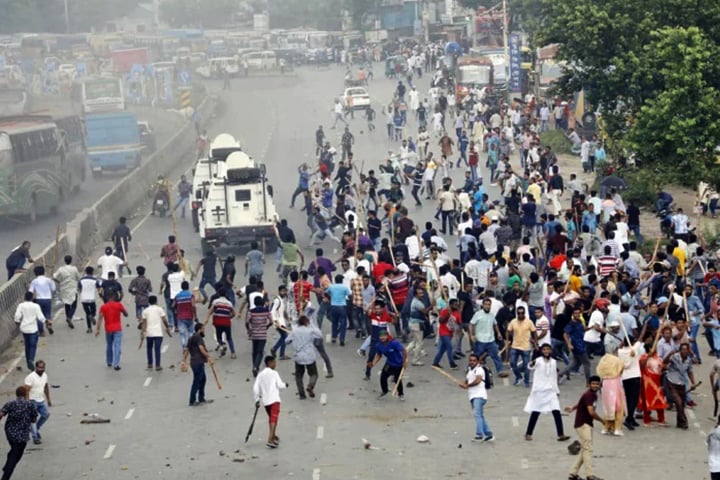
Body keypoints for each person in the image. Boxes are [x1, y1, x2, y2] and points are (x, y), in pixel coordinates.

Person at [524, 344, 570, 441]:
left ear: (551, 350)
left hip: (551, 391)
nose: (546, 351)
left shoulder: (553, 362)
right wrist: (531, 363)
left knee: (556, 411)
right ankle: (528, 433)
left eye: (548, 349)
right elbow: (530, 366)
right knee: (536, 412)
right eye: (544, 349)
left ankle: (561, 434)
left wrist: (557, 390)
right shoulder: (538, 360)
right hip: (540, 391)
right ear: (542, 351)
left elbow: (554, 376)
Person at [565, 375, 605, 480]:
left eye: (597, 384)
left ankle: (573, 473)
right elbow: (591, 412)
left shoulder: (591, 395)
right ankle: (589, 475)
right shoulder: (589, 395)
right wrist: (602, 421)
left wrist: (572, 407)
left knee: (585, 449)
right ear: (588, 384)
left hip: (585, 424)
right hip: (583, 424)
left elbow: (581, 403)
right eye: (593, 384)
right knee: (588, 449)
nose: (595, 385)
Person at [0, 386, 37, 480]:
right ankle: (5, 476)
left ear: (16, 394)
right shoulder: (30, 405)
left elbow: (1, 414)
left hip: (10, 433)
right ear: (25, 394)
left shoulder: (10, 403)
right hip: (22, 435)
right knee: (16, 456)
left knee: (13, 451)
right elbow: (34, 420)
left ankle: (6, 467)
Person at [253, 355, 288, 449]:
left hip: (266, 401)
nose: (275, 364)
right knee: (274, 418)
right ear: (270, 363)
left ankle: (273, 436)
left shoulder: (260, 375)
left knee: (272, 418)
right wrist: (286, 385)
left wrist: (256, 399)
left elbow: (256, 388)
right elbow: (280, 385)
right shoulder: (274, 373)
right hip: (274, 399)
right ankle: (270, 438)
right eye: (274, 362)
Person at [285, 315, 322, 400]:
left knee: (298, 376)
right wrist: (312, 325)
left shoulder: (294, 331)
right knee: (314, 374)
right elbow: (320, 335)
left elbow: (286, 341)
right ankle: (310, 385)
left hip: (298, 356)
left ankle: (302, 394)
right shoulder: (310, 330)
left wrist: (292, 340)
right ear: (306, 322)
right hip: (309, 356)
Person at [663, 342, 698, 430]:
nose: (684, 351)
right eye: (683, 349)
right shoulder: (675, 357)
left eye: (686, 349)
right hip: (672, 381)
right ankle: (684, 422)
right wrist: (669, 355)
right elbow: (665, 362)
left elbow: (690, 371)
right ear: (680, 350)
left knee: (681, 404)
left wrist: (693, 383)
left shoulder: (689, 360)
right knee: (678, 402)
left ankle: (679, 422)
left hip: (682, 383)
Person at [460, 353, 494, 442]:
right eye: (470, 360)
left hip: (479, 396)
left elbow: (478, 381)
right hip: (473, 396)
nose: (472, 362)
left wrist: (468, 385)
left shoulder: (479, 370)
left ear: (478, 361)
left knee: (477, 415)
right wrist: (464, 384)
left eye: (474, 360)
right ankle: (488, 434)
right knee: (480, 416)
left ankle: (479, 435)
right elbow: (466, 381)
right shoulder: (470, 371)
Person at [181, 323, 215, 406]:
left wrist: (183, 360)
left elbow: (187, 350)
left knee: (202, 379)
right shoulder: (199, 338)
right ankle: (192, 400)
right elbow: (201, 349)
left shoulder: (191, 338)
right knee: (197, 381)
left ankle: (201, 398)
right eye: (203, 329)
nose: (204, 331)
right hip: (198, 362)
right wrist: (208, 356)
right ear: (199, 329)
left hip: (194, 362)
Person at [596, 344, 626, 435]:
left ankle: (606, 427)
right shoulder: (618, 360)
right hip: (615, 383)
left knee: (608, 406)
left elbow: (599, 372)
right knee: (618, 406)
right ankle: (617, 428)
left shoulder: (603, 360)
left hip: (605, 383)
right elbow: (622, 370)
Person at [368, 329, 407, 400]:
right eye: (380, 336)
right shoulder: (378, 345)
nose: (382, 337)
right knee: (383, 376)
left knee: (397, 380)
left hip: (398, 364)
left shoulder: (394, 343)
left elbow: (403, 350)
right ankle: (384, 391)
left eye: (384, 336)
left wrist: (404, 362)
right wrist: (373, 363)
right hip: (389, 363)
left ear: (387, 336)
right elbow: (379, 355)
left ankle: (401, 394)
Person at [505, 306, 537, 387]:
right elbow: (508, 331)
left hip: (526, 347)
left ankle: (526, 381)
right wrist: (508, 340)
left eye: (522, 313)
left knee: (527, 366)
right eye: (519, 313)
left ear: (524, 313)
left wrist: (535, 342)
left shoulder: (529, 322)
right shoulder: (513, 322)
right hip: (515, 346)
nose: (520, 315)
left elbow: (534, 332)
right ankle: (518, 377)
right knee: (512, 363)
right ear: (517, 313)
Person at [95, 292, 128, 371]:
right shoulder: (118, 305)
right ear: (114, 297)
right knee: (117, 346)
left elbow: (100, 318)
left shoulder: (103, 307)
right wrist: (123, 312)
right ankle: (116, 364)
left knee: (109, 345)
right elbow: (126, 314)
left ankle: (109, 361)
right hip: (117, 329)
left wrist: (98, 329)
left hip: (108, 329)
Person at [14, 292, 44, 371]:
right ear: (32, 298)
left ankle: (28, 362)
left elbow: (17, 316)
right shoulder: (36, 306)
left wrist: (17, 321)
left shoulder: (21, 305)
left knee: (27, 345)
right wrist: (46, 321)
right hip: (33, 329)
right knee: (33, 345)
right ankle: (31, 359)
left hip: (24, 328)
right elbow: (40, 317)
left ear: (25, 297)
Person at [140, 295, 172, 370]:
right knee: (157, 349)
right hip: (158, 333)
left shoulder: (145, 311)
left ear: (149, 302)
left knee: (149, 348)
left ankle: (150, 363)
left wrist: (143, 332)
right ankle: (158, 365)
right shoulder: (159, 309)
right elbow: (164, 320)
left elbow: (144, 323)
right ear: (156, 301)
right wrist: (167, 327)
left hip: (149, 333)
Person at [24, 360, 51, 445]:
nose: (41, 369)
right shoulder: (30, 377)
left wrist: (49, 399)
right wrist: (28, 402)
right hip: (32, 401)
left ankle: (36, 428)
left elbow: (46, 387)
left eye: (43, 367)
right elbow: (26, 390)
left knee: (46, 415)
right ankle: (35, 437)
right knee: (33, 419)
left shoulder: (45, 376)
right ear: (36, 367)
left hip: (41, 399)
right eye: (39, 367)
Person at [204, 288, 236, 358]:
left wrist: (207, 318)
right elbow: (234, 313)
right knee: (229, 338)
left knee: (218, 337)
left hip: (217, 322)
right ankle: (233, 353)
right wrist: (229, 317)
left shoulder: (216, 302)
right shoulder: (229, 303)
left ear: (218, 294)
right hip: (227, 323)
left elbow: (211, 310)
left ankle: (222, 344)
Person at [246, 296, 273, 377]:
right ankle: (256, 367)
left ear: (254, 303)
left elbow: (247, 321)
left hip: (254, 334)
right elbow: (271, 321)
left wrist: (249, 329)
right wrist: (267, 326)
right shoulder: (266, 311)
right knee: (260, 352)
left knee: (254, 351)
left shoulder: (251, 311)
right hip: (262, 334)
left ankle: (254, 366)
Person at [53, 255, 80, 329]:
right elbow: (78, 277)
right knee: (74, 304)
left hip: (64, 288)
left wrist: (59, 282)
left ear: (65, 261)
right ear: (71, 261)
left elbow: (54, 277)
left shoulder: (61, 269)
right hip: (72, 288)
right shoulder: (74, 269)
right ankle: (70, 317)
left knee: (67, 304)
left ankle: (68, 317)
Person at [28, 265, 54, 335]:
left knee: (39, 315)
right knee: (47, 314)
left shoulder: (34, 281)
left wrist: (28, 286)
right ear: (43, 272)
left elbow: (31, 291)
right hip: (48, 299)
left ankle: (41, 331)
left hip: (39, 300)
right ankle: (49, 324)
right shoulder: (49, 280)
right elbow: (53, 289)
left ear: (35, 273)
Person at [78, 266, 100, 333]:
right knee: (93, 311)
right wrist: (100, 295)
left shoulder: (81, 279)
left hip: (84, 299)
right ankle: (92, 316)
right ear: (92, 272)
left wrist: (81, 292)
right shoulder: (95, 280)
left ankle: (89, 328)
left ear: (86, 272)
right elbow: (99, 288)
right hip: (92, 298)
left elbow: (79, 288)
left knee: (87, 313)